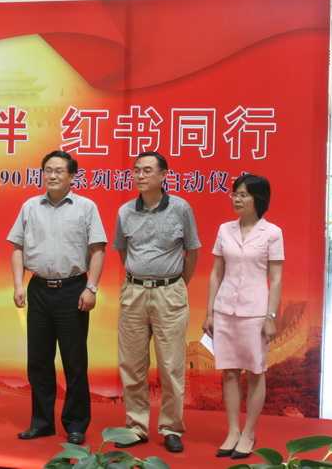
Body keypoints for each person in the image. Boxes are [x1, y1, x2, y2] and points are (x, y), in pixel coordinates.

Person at [8, 150, 107, 446]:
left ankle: (76, 424)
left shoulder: (86, 207)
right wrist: (18, 284)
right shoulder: (29, 207)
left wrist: (91, 288)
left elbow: (98, 250)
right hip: (38, 290)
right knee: (38, 362)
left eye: (59, 171)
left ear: (72, 176)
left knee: (74, 362)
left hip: (73, 290)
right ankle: (42, 423)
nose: (52, 175)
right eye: (48, 170)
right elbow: (17, 247)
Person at [113, 151, 200, 454]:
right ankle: (136, 427)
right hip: (134, 292)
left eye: (147, 170)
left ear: (164, 175)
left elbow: (192, 251)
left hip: (170, 293)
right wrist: (141, 275)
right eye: (136, 170)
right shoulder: (125, 211)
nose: (140, 175)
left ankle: (171, 428)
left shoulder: (181, 208)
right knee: (132, 364)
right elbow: (122, 250)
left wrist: (175, 284)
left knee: (171, 366)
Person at [202, 173, 283, 460]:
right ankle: (233, 431)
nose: (236, 199)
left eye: (243, 195)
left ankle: (249, 432)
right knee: (229, 372)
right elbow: (216, 273)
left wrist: (270, 315)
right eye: (234, 194)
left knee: (255, 372)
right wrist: (209, 312)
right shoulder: (225, 230)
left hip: (255, 312)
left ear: (258, 199)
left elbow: (276, 278)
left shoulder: (272, 232)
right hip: (225, 310)